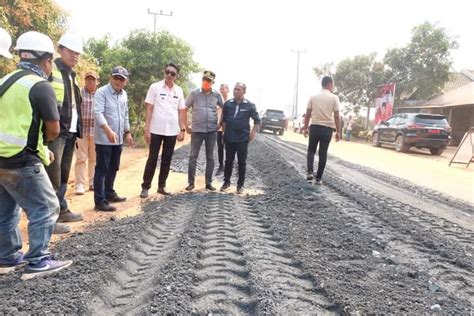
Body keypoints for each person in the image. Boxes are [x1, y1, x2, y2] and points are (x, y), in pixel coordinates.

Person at [0, 31, 72, 279]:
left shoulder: (5, 81)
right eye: (51, 60)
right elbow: (52, 129)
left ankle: (7, 257)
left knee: (7, 209)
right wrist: (43, 149)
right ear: (46, 60)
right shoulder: (40, 86)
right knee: (47, 205)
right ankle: (39, 260)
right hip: (22, 160)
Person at [46, 33, 84, 234]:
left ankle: (62, 209)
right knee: (52, 174)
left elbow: (73, 106)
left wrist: (76, 131)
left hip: (69, 132)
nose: (75, 56)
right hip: (55, 133)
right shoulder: (52, 71)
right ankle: (49, 220)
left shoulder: (71, 75)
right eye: (71, 51)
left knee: (63, 174)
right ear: (61, 50)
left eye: (77, 53)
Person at [140, 63, 186, 198]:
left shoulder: (179, 91)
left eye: (173, 73)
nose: (169, 75)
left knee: (167, 159)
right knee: (152, 158)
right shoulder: (155, 87)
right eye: (167, 72)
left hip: (172, 131)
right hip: (156, 129)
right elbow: (149, 108)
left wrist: (182, 129)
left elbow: (181, 111)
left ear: (176, 76)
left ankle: (161, 186)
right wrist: (147, 128)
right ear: (164, 72)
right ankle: (145, 187)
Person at [93, 66, 133, 211]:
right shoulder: (101, 92)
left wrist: (127, 132)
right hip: (104, 138)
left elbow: (125, 114)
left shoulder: (124, 95)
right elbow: (98, 113)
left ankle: (109, 192)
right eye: (115, 77)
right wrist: (108, 130)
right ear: (110, 77)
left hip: (118, 139)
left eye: (121, 79)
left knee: (113, 167)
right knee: (102, 169)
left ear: (125, 81)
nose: (118, 81)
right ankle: (99, 201)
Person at [182, 70, 224, 191]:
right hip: (197, 130)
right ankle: (191, 183)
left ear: (212, 82)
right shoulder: (194, 93)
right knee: (193, 156)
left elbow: (224, 108)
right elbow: (184, 108)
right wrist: (186, 126)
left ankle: (208, 183)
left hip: (211, 130)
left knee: (210, 157)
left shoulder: (216, 95)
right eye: (204, 80)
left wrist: (220, 123)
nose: (206, 82)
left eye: (208, 81)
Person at [220, 83, 260, 194]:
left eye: (238, 89)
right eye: (235, 89)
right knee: (228, 161)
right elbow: (224, 120)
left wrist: (252, 134)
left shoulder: (250, 105)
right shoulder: (228, 104)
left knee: (242, 162)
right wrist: (223, 133)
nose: (236, 91)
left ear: (244, 92)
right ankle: (226, 182)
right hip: (229, 138)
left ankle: (240, 185)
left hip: (242, 138)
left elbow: (257, 120)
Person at [303, 76, 341, 185]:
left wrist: (306, 128)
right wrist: (338, 132)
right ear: (329, 84)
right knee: (323, 153)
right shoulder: (334, 98)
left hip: (314, 127)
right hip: (327, 129)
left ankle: (310, 173)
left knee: (311, 150)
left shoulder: (313, 97)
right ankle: (319, 178)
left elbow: (308, 114)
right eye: (332, 84)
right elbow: (337, 116)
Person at [74, 71, 99, 194]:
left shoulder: (100, 94)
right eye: (88, 79)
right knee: (81, 158)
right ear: (85, 81)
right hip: (81, 131)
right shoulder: (79, 93)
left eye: (93, 80)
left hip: (96, 131)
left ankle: (93, 182)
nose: (90, 82)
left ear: (97, 82)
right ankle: (80, 184)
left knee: (94, 158)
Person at [216, 83, 230, 175]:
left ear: (228, 90)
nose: (221, 90)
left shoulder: (231, 101)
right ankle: (221, 165)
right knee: (220, 147)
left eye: (223, 89)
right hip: (219, 129)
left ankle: (228, 165)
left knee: (229, 148)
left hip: (229, 129)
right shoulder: (216, 101)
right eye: (220, 89)